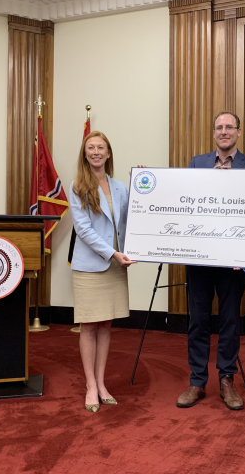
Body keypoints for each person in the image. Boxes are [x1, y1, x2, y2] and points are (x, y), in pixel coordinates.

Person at [176, 111, 245, 411]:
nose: (224, 132)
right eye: (219, 128)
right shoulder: (197, 164)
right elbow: (183, 202)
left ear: (238, 132)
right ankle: (197, 382)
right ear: (214, 133)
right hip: (199, 258)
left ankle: (227, 380)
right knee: (197, 321)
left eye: (229, 127)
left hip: (234, 262)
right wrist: (152, 183)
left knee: (229, 321)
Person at [69, 131, 136, 413]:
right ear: (85, 154)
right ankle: (90, 385)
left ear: (108, 154)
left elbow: (135, 217)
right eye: (91, 148)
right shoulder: (77, 187)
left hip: (115, 266)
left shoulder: (121, 187)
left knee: (106, 325)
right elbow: (83, 230)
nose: (96, 151)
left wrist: (144, 185)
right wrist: (112, 253)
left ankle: (102, 381)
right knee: (89, 326)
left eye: (101, 147)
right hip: (91, 266)